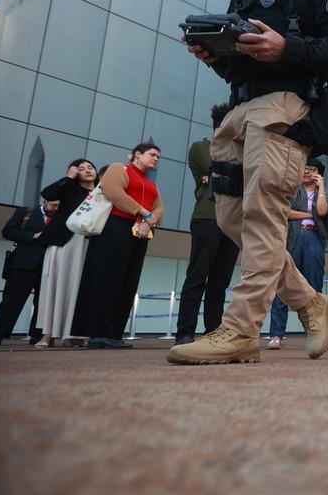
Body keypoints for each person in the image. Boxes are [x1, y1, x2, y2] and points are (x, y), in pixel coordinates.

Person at [169, 0, 328, 365]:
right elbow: (241, 69)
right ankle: (312, 303)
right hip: (238, 113)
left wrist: (288, 48)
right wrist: (214, 56)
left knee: (262, 219)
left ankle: (240, 331)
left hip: (285, 113)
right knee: (233, 219)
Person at [72, 144, 164, 349]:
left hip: (141, 231)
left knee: (128, 283)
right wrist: (144, 213)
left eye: (158, 156)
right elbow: (114, 192)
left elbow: (159, 209)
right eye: (152, 154)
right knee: (107, 280)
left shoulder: (152, 184)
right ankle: (98, 334)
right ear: (137, 154)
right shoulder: (120, 169)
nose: (156, 158)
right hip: (115, 226)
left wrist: (147, 222)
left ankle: (114, 333)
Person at [174, 104, 241, 346]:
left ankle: (214, 330)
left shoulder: (240, 151)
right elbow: (228, 173)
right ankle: (184, 332)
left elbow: (236, 176)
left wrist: (219, 177)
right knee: (197, 275)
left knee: (220, 282)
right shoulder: (201, 147)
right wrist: (226, 175)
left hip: (233, 221)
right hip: (208, 217)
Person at [268, 159, 328, 349]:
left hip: (314, 240)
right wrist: (308, 215)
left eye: (312, 169)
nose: (306, 172)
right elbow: (284, 212)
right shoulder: (293, 190)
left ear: (319, 173)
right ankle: (275, 335)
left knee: (314, 288)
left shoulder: (325, 194)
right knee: (283, 286)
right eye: (304, 168)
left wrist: (320, 185)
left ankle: (318, 334)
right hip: (293, 239)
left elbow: (322, 211)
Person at [35, 159, 98, 348]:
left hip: (88, 243)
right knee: (55, 285)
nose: (87, 170)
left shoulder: (103, 192)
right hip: (64, 241)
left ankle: (78, 333)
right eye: (81, 168)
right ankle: (48, 334)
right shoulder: (70, 188)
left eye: (90, 167)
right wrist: (69, 177)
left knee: (80, 288)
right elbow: (48, 193)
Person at [0, 199, 58, 346]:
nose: (55, 207)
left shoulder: (61, 217)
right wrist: (32, 236)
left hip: (48, 265)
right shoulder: (26, 212)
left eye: (58, 205)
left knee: (42, 303)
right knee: (12, 300)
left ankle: (36, 336)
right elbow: (7, 231)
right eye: (53, 204)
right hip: (23, 264)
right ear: (45, 201)